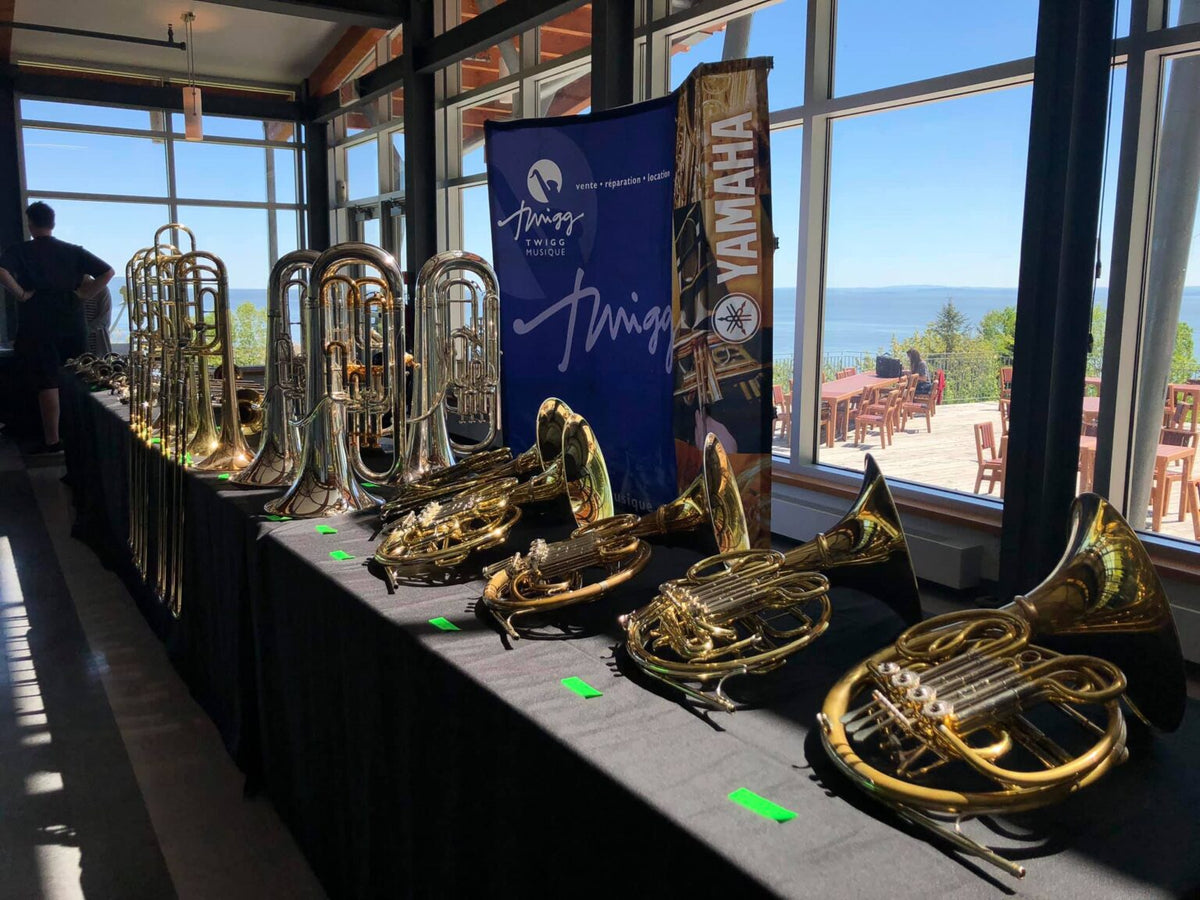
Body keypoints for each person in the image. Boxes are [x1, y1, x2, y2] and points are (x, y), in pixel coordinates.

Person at [0, 202, 114, 454]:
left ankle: (52, 440)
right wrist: (82, 294)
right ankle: (84, 437)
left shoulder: (20, 250)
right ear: (53, 223)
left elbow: (1, 270)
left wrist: (20, 293)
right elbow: (107, 272)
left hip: (37, 320)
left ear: (30, 224)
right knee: (78, 376)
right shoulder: (73, 251)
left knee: (47, 381)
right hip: (72, 319)